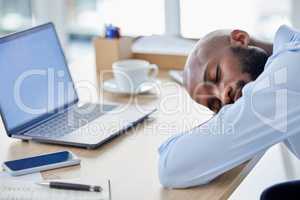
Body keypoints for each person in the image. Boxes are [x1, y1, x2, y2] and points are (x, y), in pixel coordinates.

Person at [158, 25, 300, 188]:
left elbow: (171, 167)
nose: (223, 96)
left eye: (216, 75)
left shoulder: (287, 73)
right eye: (215, 104)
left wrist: (226, 118)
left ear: (240, 39)